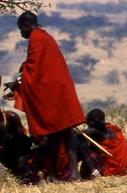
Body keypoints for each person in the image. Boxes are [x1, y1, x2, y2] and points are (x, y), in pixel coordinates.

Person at [5, 11, 86, 182]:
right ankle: (53, 175)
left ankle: (73, 174)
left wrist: (16, 83)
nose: (21, 33)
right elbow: (35, 66)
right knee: (55, 134)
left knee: (64, 131)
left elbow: (34, 69)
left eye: (21, 29)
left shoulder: (37, 38)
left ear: (27, 24)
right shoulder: (43, 36)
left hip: (54, 92)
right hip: (57, 89)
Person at [78, 108, 127, 177]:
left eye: (88, 123)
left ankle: (93, 172)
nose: (88, 126)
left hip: (109, 172)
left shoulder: (96, 131)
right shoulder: (113, 130)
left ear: (94, 121)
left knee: (82, 146)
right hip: (121, 172)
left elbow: (77, 135)